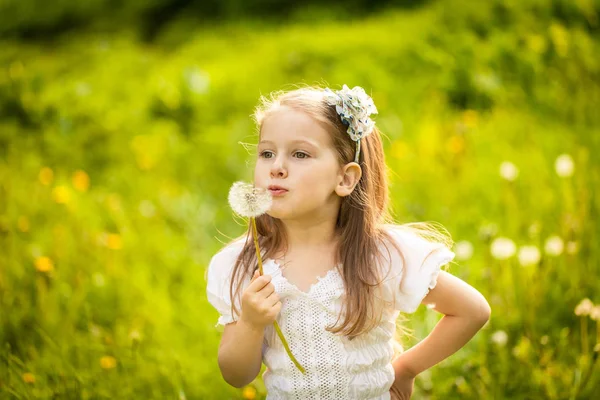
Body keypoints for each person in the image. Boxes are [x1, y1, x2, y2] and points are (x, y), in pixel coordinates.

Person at [206, 84, 491, 399]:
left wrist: (407, 368)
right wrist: (250, 323)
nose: (277, 167)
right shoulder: (247, 265)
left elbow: (472, 310)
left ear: (345, 179)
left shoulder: (378, 256)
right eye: (267, 153)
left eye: (299, 154)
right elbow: (236, 375)